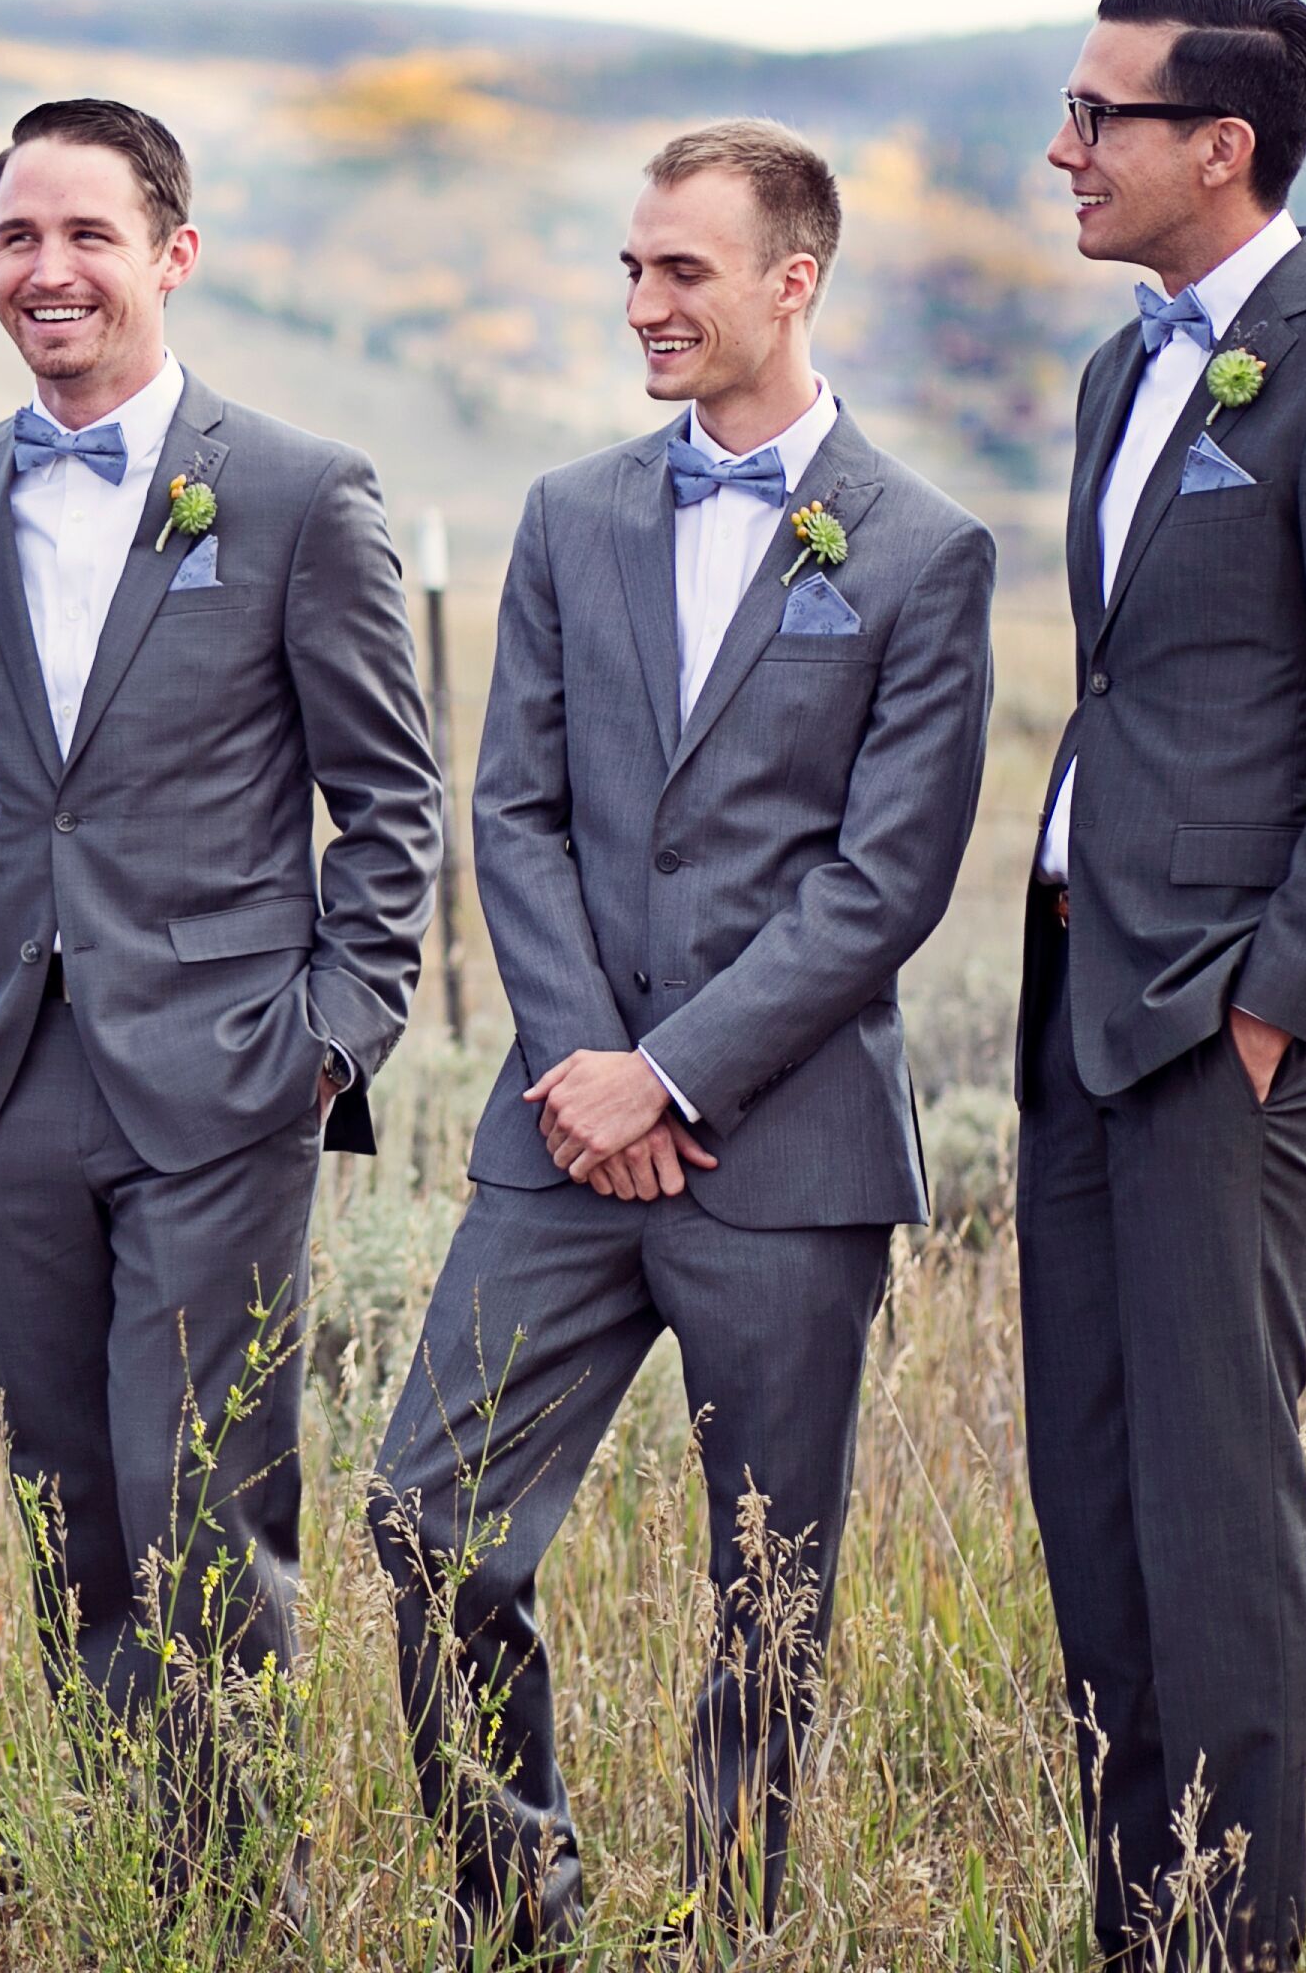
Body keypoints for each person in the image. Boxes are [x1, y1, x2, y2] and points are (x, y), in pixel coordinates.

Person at [364, 121, 995, 1962]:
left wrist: (680, 1072)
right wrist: (588, 1069)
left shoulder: (924, 552)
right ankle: (520, 1910)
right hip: (560, 1137)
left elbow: (884, 885)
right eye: (632, 266)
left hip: (785, 1158)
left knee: (767, 1593)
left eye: (682, 272)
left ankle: (728, 1935)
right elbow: (518, 814)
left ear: (793, 282)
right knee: (426, 1522)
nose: (643, 301)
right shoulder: (568, 515)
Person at [0, 97, 440, 1918]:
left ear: (172, 255)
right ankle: (130, 1873)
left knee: (206, 1512)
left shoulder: (294, 490)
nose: (48, 273)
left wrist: (335, 1038)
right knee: (66, 1519)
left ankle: (231, 1907)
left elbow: (390, 800)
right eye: (15, 239)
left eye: (88, 237)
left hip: (223, 1082)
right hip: (0, 1082)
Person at [1020, 0, 1306, 1969]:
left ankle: (1234, 1949)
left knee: (1214, 1536)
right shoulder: (1130, 372)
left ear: (1222, 146)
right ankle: (1145, 1939)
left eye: (1102, 115)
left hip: (1222, 1039)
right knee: (1097, 1523)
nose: (1065, 150)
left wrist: (1279, 1011)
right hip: (1071, 1015)